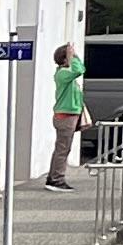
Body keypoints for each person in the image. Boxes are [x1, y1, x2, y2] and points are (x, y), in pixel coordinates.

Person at [44, 42, 85, 191]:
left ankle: (53, 176)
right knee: (63, 149)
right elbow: (79, 70)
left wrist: (73, 56)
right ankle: (57, 179)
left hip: (68, 116)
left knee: (62, 148)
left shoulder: (65, 74)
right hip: (65, 117)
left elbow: (80, 69)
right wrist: (72, 56)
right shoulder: (63, 74)